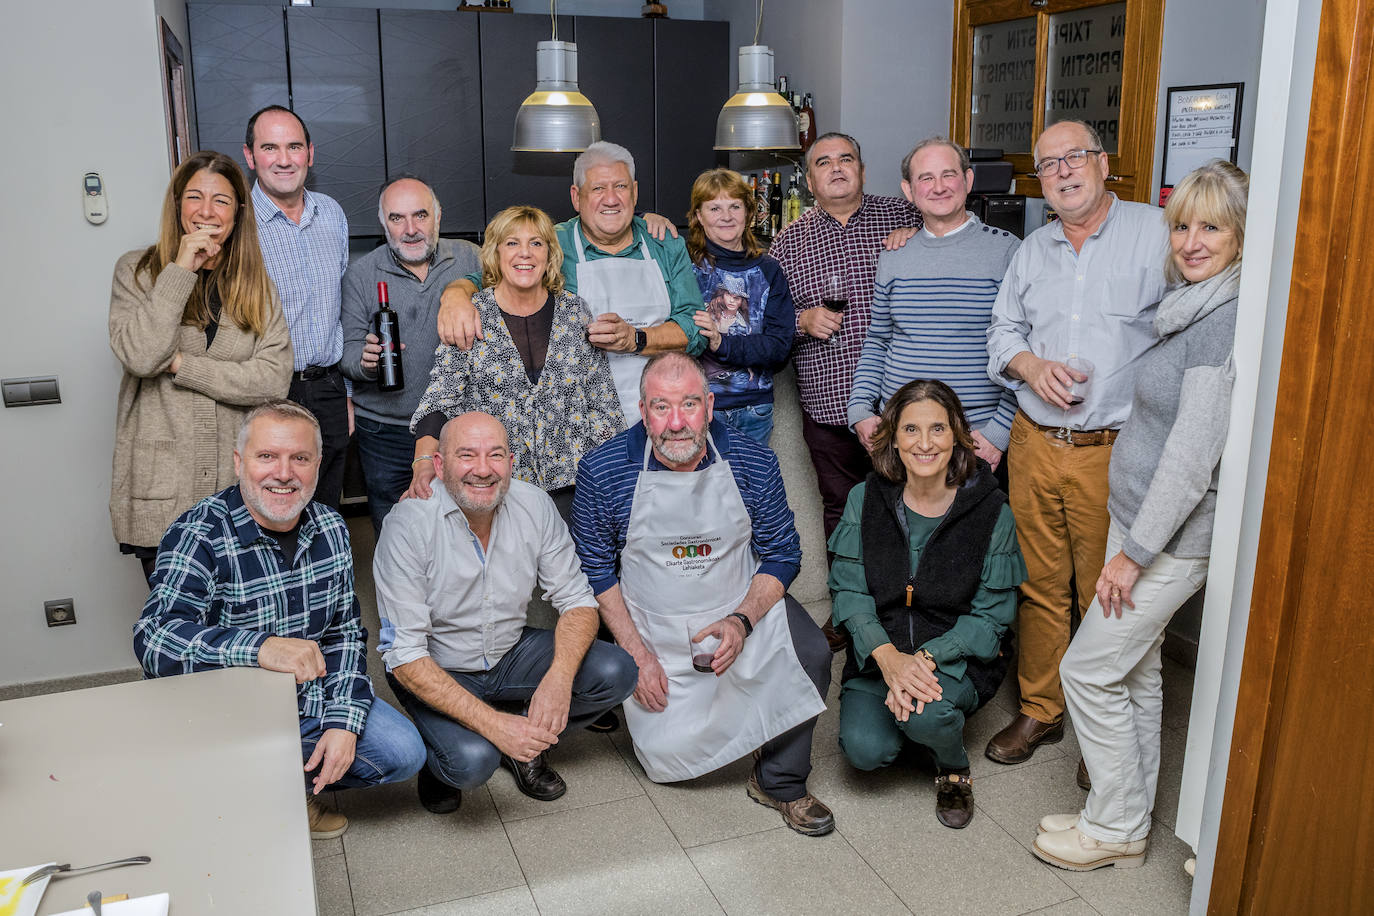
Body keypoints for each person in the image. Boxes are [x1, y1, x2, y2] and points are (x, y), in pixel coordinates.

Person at [1034, 161, 1247, 870]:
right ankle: (1123, 813)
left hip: (1169, 541)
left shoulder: (1224, 324)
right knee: (1137, 672)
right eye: (1182, 226)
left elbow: (1190, 461)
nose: (1192, 242)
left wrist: (1133, 555)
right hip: (1137, 521)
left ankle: (1116, 826)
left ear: (1241, 235)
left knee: (1087, 670)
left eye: (1212, 227)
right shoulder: (1193, 303)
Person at [132, 400, 426, 839]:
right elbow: (154, 639)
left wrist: (343, 720)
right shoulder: (198, 534)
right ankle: (241, 786)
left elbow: (344, 633)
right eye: (267, 456)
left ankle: (281, 786)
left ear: (318, 465)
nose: (284, 473)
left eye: (300, 458)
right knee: (202, 805)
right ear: (240, 462)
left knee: (404, 752)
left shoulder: (331, 527)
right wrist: (260, 648)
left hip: (307, 699)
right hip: (225, 710)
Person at [571, 353, 835, 836]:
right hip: (654, 634)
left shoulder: (752, 460)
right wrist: (637, 656)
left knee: (811, 652)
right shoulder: (602, 469)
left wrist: (742, 621)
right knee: (670, 757)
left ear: (710, 406)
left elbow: (782, 553)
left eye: (689, 405)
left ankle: (779, 779)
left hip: (738, 612)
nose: (676, 423)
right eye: (661, 407)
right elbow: (595, 572)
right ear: (643, 410)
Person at [983, 119, 1169, 764]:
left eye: (1074, 157)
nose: (1062, 172)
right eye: (1048, 164)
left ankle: (1105, 737)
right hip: (1034, 442)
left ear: (1103, 162)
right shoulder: (1032, 250)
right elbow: (1001, 332)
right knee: (1038, 583)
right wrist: (1030, 366)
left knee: (1107, 592)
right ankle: (1041, 708)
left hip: (1114, 450)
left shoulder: (1158, 234)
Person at [375, 412, 638, 814]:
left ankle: (523, 741)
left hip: (510, 652)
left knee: (617, 671)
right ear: (440, 465)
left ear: (511, 463)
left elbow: (578, 601)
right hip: (438, 665)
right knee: (470, 762)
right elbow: (405, 656)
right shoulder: (408, 525)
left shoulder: (534, 504)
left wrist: (558, 680)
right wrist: (495, 727)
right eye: (467, 455)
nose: (483, 470)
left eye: (495, 455)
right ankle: (445, 754)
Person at [830, 380, 1025, 828]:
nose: (924, 443)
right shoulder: (865, 498)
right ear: (893, 439)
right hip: (880, 652)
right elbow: (850, 591)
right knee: (864, 752)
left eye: (937, 429)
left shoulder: (993, 511)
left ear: (957, 435)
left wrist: (922, 661)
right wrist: (888, 658)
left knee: (927, 715)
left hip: (954, 657)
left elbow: (991, 617)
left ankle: (952, 764)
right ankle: (914, 724)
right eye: (910, 429)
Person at [109, 150, 292, 585]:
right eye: (195, 197)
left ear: (238, 213)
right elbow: (141, 355)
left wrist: (181, 365)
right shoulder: (136, 272)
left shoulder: (256, 286)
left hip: (238, 491)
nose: (206, 211)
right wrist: (180, 270)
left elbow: (274, 379)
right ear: (177, 205)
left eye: (221, 200)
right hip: (163, 490)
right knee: (177, 618)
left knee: (243, 616)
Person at [435, 141, 705, 424]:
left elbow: (695, 329)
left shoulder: (664, 243)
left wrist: (635, 339)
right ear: (576, 197)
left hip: (665, 412)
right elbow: (490, 278)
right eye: (598, 188)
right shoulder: (552, 242)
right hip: (579, 418)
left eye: (621, 187)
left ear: (635, 192)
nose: (611, 199)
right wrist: (455, 294)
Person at [405, 206, 624, 524]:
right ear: (495, 253)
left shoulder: (575, 312)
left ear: (549, 255)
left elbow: (602, 404)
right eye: (512, 243)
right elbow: (441, 399)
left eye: (536, 243)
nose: (525, 253)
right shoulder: (471, 314)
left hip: (575, 490)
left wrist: (613, 477)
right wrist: (424, 460)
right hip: (494, 488)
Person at [769, 132, 924, 541]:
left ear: (863, 171)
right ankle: (847, 585)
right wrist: (802, 321)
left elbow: (952, 231)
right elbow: (770, 324)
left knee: (914, 507)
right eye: (824, 162)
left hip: (900, 402)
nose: (836, 168)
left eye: (846, 159)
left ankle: (907, 585)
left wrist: (922, 235)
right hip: (829, 406)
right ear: (809, 180)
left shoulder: (905, 216)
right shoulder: (787, 243)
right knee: (841, 511)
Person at [849, 138, 1019, 477]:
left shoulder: (1007, 251)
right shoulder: (894, 254)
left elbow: (1023, 350)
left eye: (948, 175)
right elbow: (878, 340)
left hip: (974, 437)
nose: (939, 187)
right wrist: (860, 410)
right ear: (909, 190)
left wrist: (999, 432)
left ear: (968, 180)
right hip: (900, 434)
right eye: (926, 178)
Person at [340, 176, 480, 533]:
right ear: (382, 222)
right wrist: (366, 361)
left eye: (420, 215)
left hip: (456, 425)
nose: (411, 229)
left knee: (462, 527)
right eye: (397, 218)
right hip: (385, 431)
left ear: (438, 215)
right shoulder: (360, 275)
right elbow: (347, 353)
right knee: (395, 529)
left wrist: (461, 290)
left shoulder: (471, 258)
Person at [243, 105, 351, 509]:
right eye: (269, 147)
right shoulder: (239, 224)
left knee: (326, 508)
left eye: (294, 147)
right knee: (271, 506)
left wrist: (347, 396)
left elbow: (340, 307)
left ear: (310, 153)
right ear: (250, 156)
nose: (284, 159)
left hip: (328, 387)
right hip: (266, 390)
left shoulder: (332, 214)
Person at [684, 168, 795, 445]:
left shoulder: (769, 270)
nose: (726, 216)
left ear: (748, 212)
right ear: (699, 216)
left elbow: (779, 347)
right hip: (696, 407)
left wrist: (722, 343)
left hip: (754, 409)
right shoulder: (684, 267)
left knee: (751, 476)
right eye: (714, 208)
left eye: (735, 206)